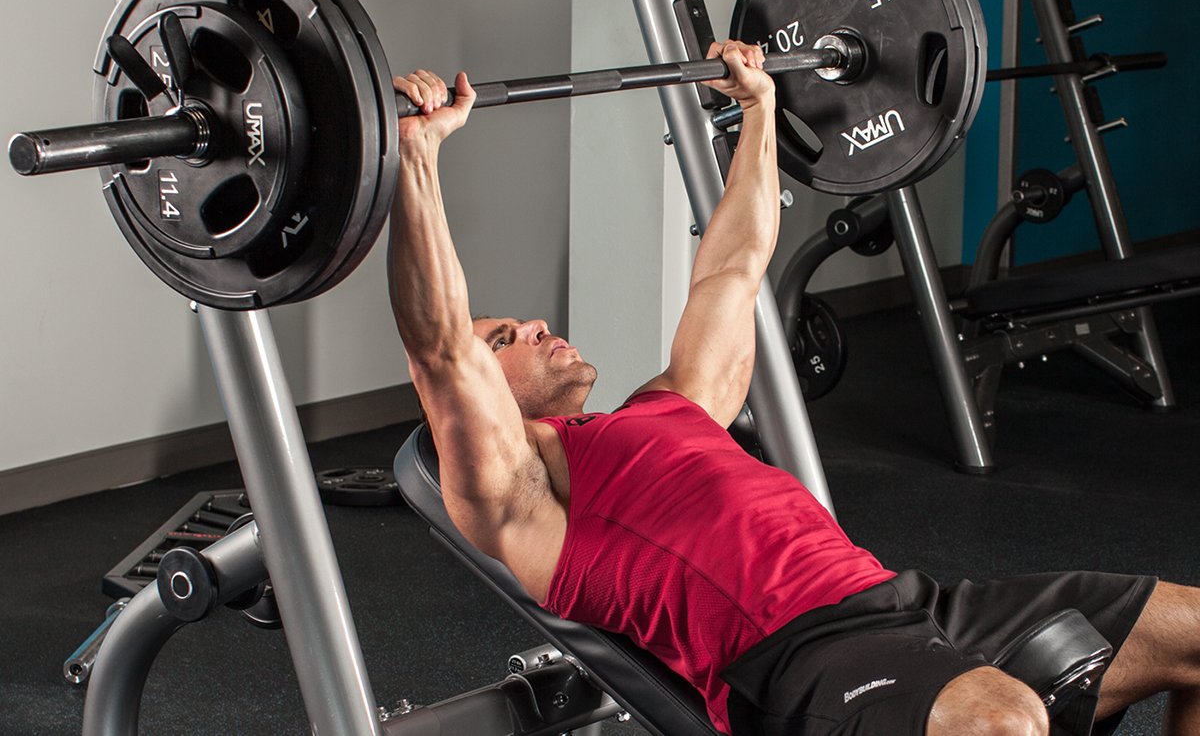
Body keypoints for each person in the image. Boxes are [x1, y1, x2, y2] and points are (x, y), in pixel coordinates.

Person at [386, 40, 1200, 736]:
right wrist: (417, 156)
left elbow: (733, 270)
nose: (531, 326)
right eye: (503, 338)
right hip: (800, 660)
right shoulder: (525, 497)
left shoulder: (671, 406)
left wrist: (760, 105)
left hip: (909, 605)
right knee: (1002, 721)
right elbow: (438, 346)